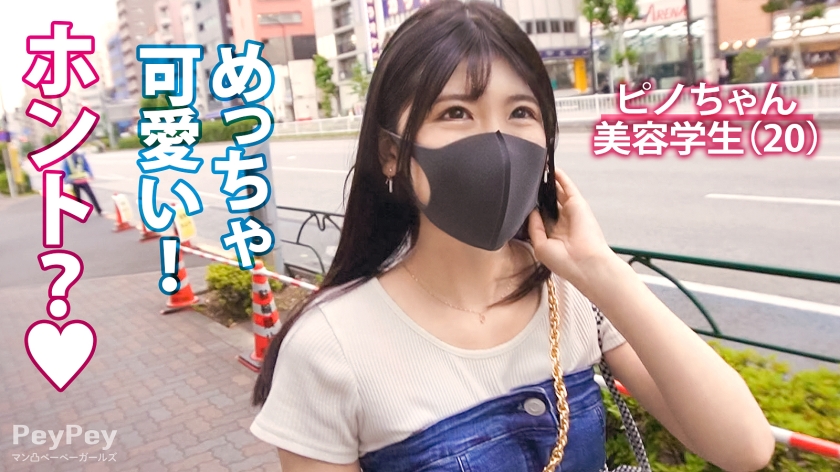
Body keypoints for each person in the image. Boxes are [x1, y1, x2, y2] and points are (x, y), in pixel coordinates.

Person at [249, 2, 775, 471]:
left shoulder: (575, 295)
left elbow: (744, 448)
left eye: (521, 112)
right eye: (456, 112)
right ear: (392, 153)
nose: (497, 142)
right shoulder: (329, 348)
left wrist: (602, 271)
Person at [62, 152, 102, 216]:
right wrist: (66, 179)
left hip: (82, 180)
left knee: (90, 195)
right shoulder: (67, 159)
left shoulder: (80, 156)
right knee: (78, 197)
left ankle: (99, 210)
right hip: (74, 182)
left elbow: (86, 166)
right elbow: (65, 170)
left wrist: (90, 174)